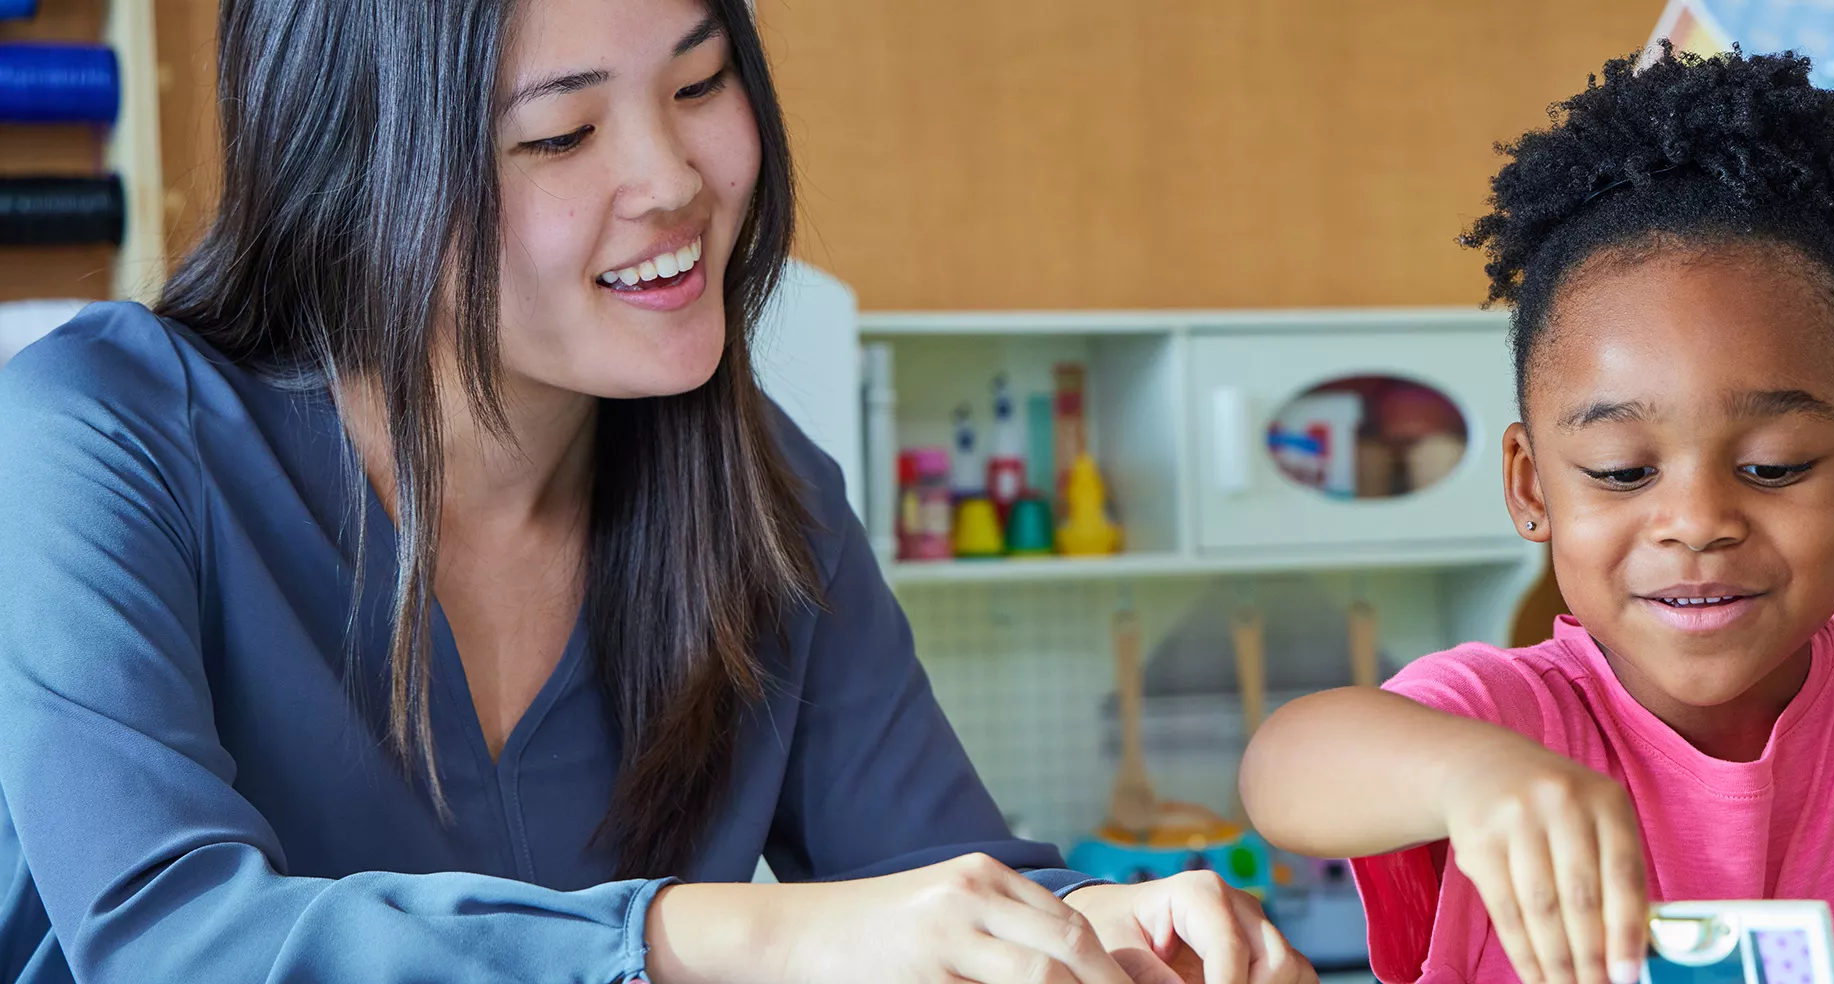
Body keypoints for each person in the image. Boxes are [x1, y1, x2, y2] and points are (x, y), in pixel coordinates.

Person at [0, 2, 1314, 982]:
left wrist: (1102, 925)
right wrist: (707, 934)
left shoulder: (769, 498)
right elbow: (168, 938)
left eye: (703, 80)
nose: (676, 181)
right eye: (561, 132)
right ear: (355, 174)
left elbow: (931, 874)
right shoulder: (100, 438)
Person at [1238, 44, 1834, 984]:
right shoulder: (1507, 719)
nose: (1696, 521)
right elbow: (1285, 767)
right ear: (1533, 486)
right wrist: (1471, 778)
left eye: (1773, 466)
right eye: (1621, 472)